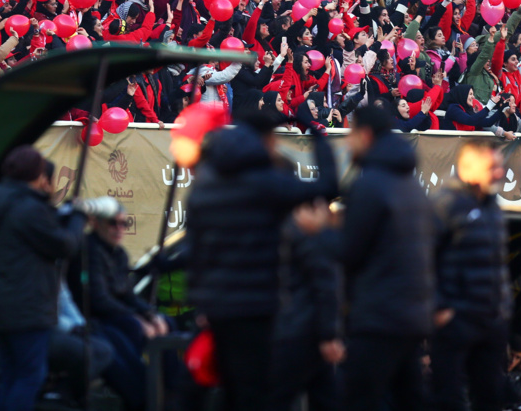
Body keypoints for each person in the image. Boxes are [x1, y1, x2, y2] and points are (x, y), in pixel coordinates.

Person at [186, 109, 339, 411]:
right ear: (266, 140)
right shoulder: (265, 183)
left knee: (232, 389)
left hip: (218, 307)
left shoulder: (204, 184)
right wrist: (316, 134)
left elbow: (196, 251)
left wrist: (201, 302)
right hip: (257, 306)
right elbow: (327, 187)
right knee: (256, 393)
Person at [334, 105, 434, 411]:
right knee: (410, 398)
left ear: (365, 136)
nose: (348, 142)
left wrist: (322, 233)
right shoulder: (411, 186)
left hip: (379, 315)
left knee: (360, 398)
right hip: (412, 315)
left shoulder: (370, 185)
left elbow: (350, 251)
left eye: (351, 134)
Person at [0, 147, 86, 411]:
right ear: (37, 176)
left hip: (0, 306)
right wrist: (77, 219)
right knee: (29, 376)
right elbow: (64, 246)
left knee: (11, 375)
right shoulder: (29, 208)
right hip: (28, 307)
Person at [429, 139, 510, 411]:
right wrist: (440, 308)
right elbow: (422, 259)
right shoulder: (445, 204)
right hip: (455, 323)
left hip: (490, 322)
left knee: (490, 398)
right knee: (449, 400)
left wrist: (503, 309)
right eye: (493, 167)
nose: (500, 173)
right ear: (469, 167)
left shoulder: (492, 208)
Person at [70, 197, 169, 411]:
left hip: (114, 313)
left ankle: (171, 388)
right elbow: (98, 300)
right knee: (132, 329)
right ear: (97, 224)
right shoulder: (89, 251)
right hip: (95, 318)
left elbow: (127, 294)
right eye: (113, 223)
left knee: (166, 324)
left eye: (124, 224)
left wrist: (150, 315)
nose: (119, 229)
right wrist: (137, 318)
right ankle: (142, 395)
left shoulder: (119, 254)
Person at [269, 202, 342, 411]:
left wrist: (329, 334)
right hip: (309, 332)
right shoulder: (299, 232)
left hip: (295, 332)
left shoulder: (297, 232)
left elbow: (325, 284)